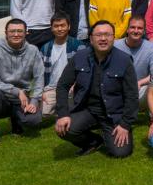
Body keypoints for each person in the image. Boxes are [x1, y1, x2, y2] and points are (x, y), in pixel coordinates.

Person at [55, 20, 138, 157]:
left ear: (114, 38)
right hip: (88, 110)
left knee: (120, 152)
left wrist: (125, 125)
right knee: (65, 129)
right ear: (91, 39)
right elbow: (63, 86)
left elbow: (132, 96)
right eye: (99, 35)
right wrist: (63, 114)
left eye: (107, 35)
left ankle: (111, 133)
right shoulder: (79, 57)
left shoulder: (124, 60)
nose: (103, 38)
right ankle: (93, 141)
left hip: (114, 114)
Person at [0, 19, 44, 145]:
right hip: (2, 97)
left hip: (22, 100)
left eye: (20, 31)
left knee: (34, 121)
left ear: (26, 33)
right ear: (6, 33)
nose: (16, 34)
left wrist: (35, 100)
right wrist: (16, 91)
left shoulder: (33, 51)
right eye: (12, 31)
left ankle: (16, 120)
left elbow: (39, 77)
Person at [39, 13, 85, 118]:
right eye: (56, 26)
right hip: (51, 88)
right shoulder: (45, 48)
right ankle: (58, 108)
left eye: (62, 25)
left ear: (68, 27)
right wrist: (42, 91)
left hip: (71, 88)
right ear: (51, 28)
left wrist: (76, 84)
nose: (59, 29)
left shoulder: (79, 46)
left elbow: (84, 71)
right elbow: (40, 74)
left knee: (73, 113)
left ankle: (63, 108)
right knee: (42, 114)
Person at [113, 15, 153, 109]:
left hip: (140, 89)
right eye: (132, 27)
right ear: (127, 30)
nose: (136, 31)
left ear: (144, 31)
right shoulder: (115, 46)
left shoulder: (151, 48)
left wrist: (139, 83)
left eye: (139, 28)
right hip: (117, 89)